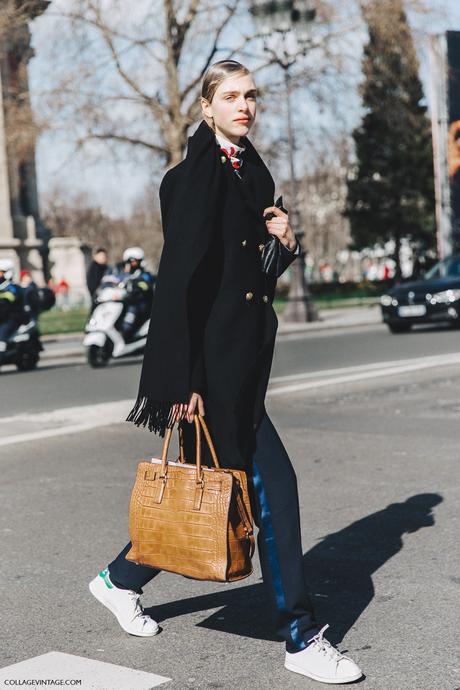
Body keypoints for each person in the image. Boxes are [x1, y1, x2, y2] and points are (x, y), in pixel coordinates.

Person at [89, 60, 363, 685]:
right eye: (231, 97)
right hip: (209, 373)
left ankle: (118, 579)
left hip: (242, 364)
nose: (245, 106)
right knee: (273, 492)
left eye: (252, 96)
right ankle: (301, 635)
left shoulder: (253, 170)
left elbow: (250, 279)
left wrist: (284, 244)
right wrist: (181, 380)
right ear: (207, 106)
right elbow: (182, 285)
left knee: (214, 496)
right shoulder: (191, 179)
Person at [118, 247, 155, 340]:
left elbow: (146, 286)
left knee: (129, 317)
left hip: (140, 304)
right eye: (129, 261)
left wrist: (136, 284)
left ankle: (127, 335)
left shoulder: (145, 275)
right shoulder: (125, 275)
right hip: (126, 302)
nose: (131, 263)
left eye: (134, 261)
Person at [0, 259, 23, 354]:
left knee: (1, 337)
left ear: (7, 273)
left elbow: (8, 301)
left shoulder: (11, 287)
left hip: (9, 319)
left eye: (0, 272)